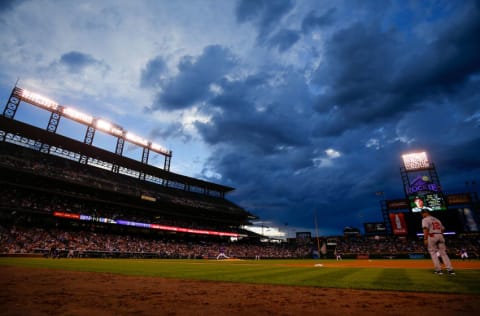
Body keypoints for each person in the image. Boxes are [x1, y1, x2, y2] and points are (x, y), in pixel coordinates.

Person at [421, 209, 455, 275]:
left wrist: (425, 238)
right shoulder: (437, 219)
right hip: (440, 235)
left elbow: (425, 229)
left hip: (432, 235)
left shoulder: (425, 219)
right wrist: (439, 235)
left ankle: (438, 270)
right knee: (444, 253)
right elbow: (443, 229)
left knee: (433, 253)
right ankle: (450, 270)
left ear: (426, 213)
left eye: (422, 213)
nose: (422, 215)